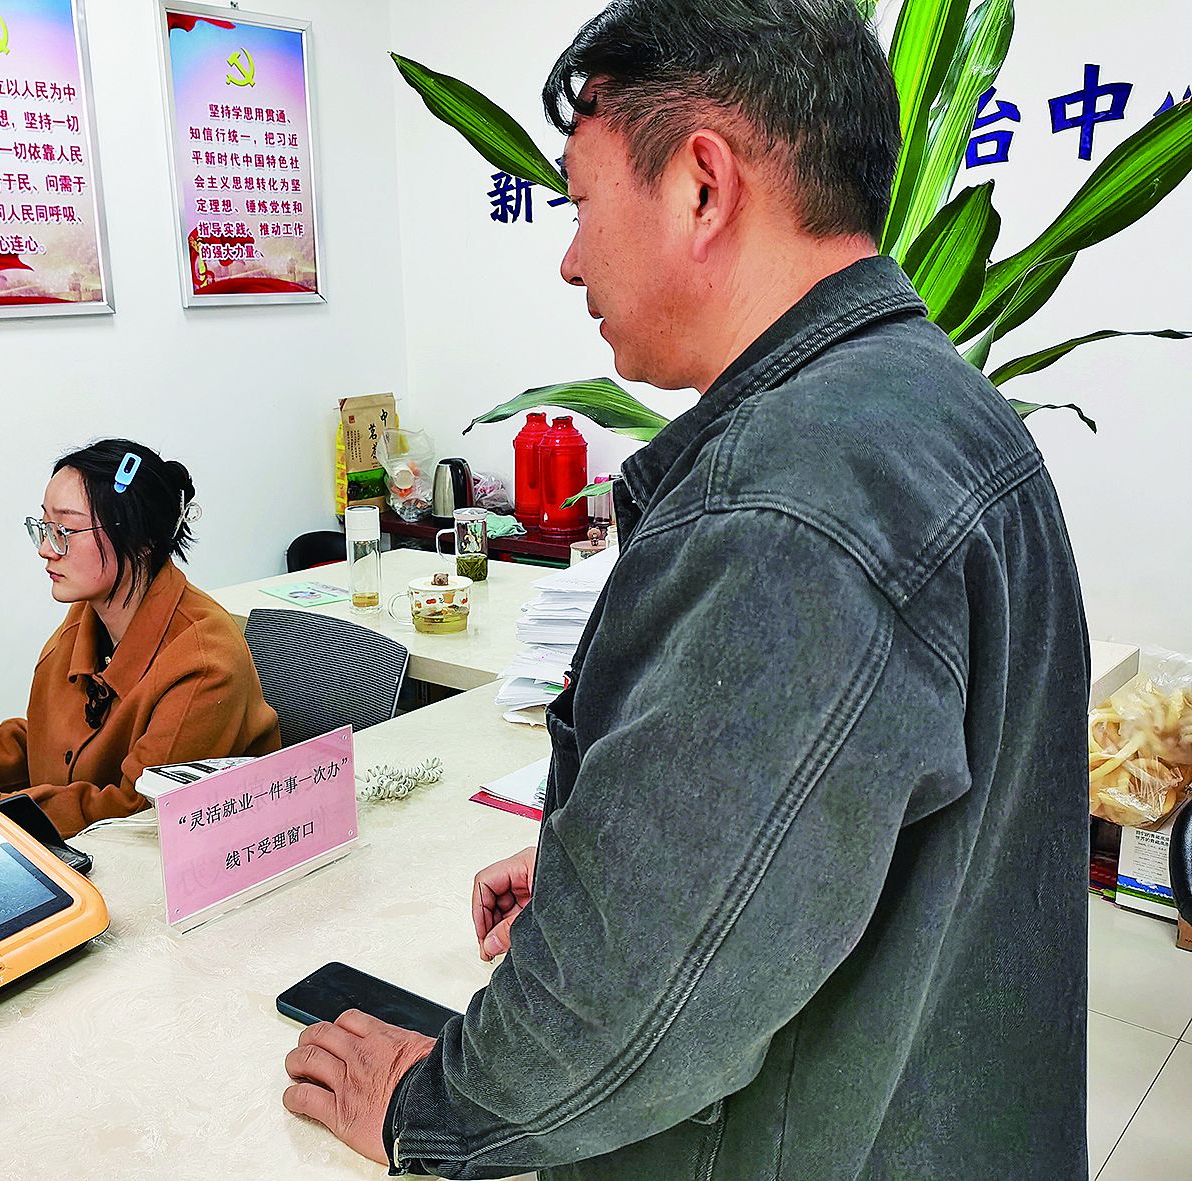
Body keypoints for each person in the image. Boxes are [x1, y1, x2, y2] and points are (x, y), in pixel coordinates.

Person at [281, 2, 1089, 1178]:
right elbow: (861, 807)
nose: (569, 258)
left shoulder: (788, 501)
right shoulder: (937, 404)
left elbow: (624, 1016)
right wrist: (639, 856)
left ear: (703, 186)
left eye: (580, 201)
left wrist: (428, 1104)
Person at [0, 439, 281, 838]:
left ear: (142, 539)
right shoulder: (88, 616)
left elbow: (140, 812)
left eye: (66, 531)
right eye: (44, 526)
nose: (45, 549)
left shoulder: (203, 661)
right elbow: (51, 745)